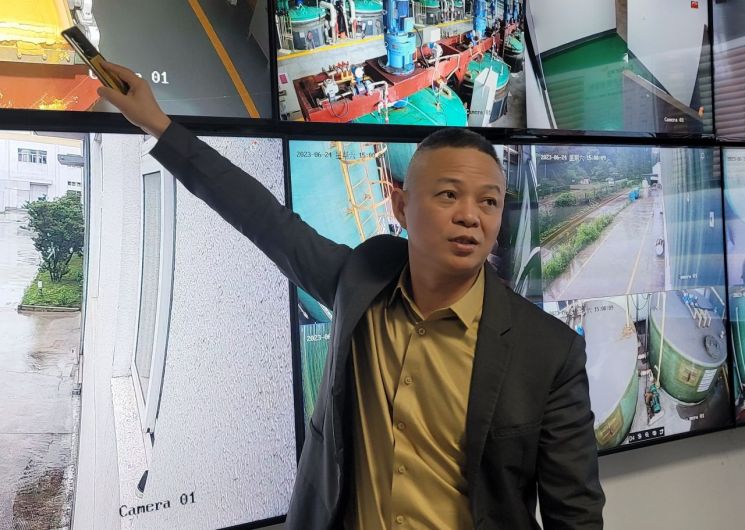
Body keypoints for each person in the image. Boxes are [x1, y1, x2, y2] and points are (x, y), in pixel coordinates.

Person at [97, 62, 605, 529]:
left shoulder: (548, 353)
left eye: (488, 201)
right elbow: (263, 218)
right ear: (400, 206)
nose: (471, 215)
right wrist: (158, 125)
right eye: (448, 194)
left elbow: (576, 517)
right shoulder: (360, 281)